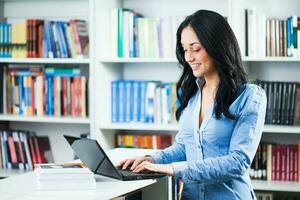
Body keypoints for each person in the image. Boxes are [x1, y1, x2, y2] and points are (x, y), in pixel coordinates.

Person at [119, 9, 266, 200]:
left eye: (195, 49)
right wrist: (152, 159)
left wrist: (173, 168)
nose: (188, 57)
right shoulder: (189, 92)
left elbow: (237, 163)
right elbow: (184, 146)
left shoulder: (249, 96)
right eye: (184, 49)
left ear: (218, 46)